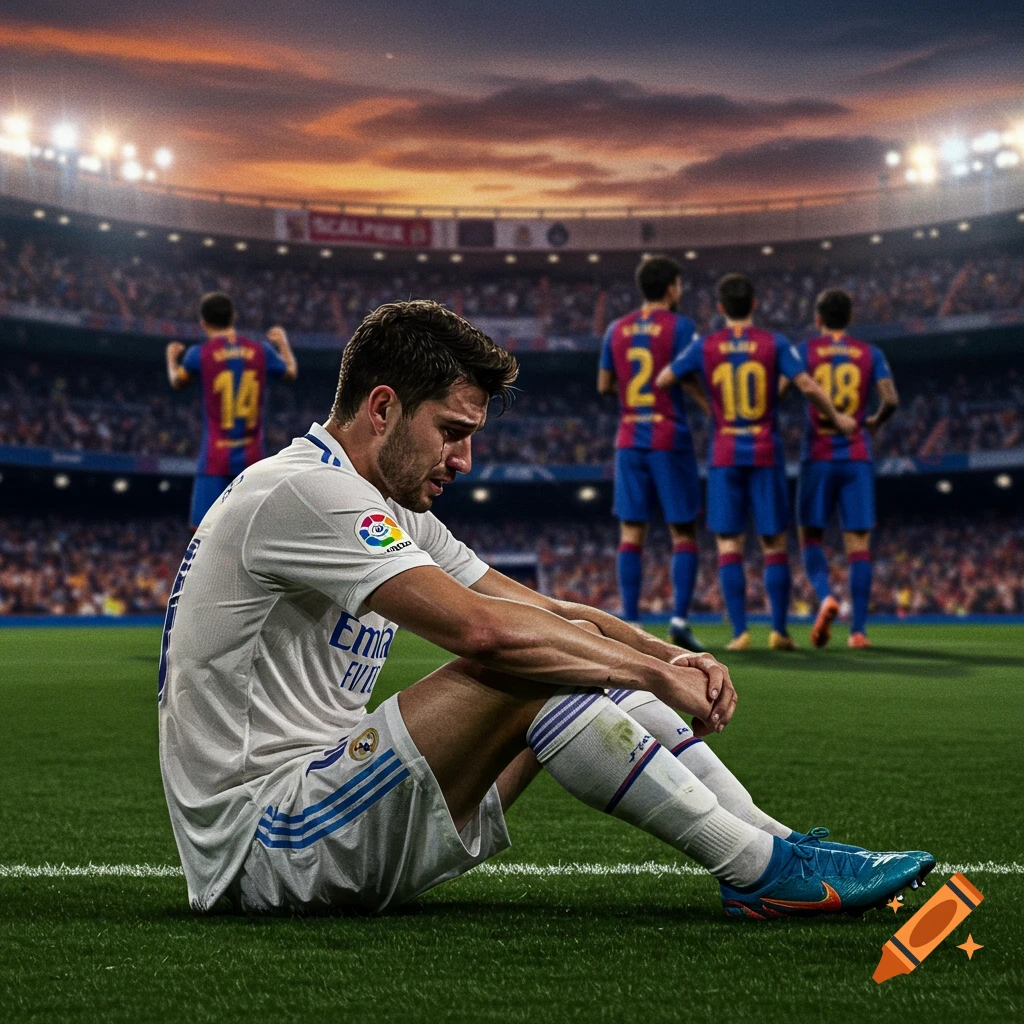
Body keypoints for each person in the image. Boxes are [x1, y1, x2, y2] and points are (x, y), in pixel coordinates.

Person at [158, 299, 930, 920]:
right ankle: (759, 870)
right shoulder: (302, 490)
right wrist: (653, 680)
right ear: (383, 408)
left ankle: (781, 847)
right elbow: (485, 631)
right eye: (452, 433)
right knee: (527, 661)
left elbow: (547, 609)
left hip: (335, 812)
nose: (464, 460)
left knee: (561, 643)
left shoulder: (380, 501)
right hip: (265, 844)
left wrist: (668, 657)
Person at [656, 275, 856, 651]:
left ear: (720, 308)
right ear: (755, 305)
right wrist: (840, 419)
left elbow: (667, 377)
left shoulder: (707, 345)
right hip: (765, 451)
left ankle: (740, 634)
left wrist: (708, 404)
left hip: (725, 453)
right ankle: (779, 632)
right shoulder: (773, 343)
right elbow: (808, 386)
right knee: (774, 545)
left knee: (729, 545)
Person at [597, 256, 706, 650]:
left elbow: (604, 383)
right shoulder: (681, 327)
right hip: (668, 435)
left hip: (629, 437)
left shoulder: (617, 329)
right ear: (672, 287)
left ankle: (632, 621)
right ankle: (678, 619)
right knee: (683, 531)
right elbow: (691, 375)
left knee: (631, 532)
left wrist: (629, 394)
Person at [794, 289, 899, 649]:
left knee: (810, 538)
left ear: (818, 319)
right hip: (856, 455)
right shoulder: (870, 354)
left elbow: (783, 386)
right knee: (859, 547)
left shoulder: (806, 351)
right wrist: (873, 422)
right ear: (850, 319)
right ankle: (858, 632)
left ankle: (826, 597)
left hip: (818, 454)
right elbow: (891, 399)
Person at [165, 291, 298, 529]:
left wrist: (171, 359)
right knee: (252, 528)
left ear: (203, 322)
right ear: (234, 317)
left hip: (214, 458)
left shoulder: (199, 354)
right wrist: (283, 344)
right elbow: (290, 372)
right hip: (253, 458)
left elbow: (177, 381)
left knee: (202, 530)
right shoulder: (261, 351)